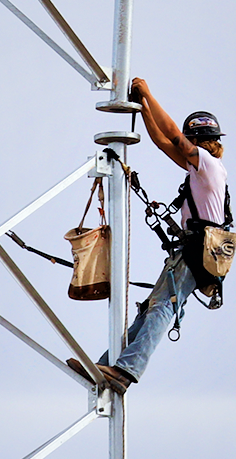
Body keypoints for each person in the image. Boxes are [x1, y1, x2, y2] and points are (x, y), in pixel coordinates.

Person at [86, 77, 228, 391]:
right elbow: (164, 143)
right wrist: (143, 106)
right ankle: (111, 364)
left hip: (199, 249)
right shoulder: (199, 168)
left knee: (163, 306)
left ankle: (127, 370)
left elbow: (175, 137)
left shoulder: (208, 165)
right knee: (152, 306)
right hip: (196, 250)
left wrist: (149, 94)